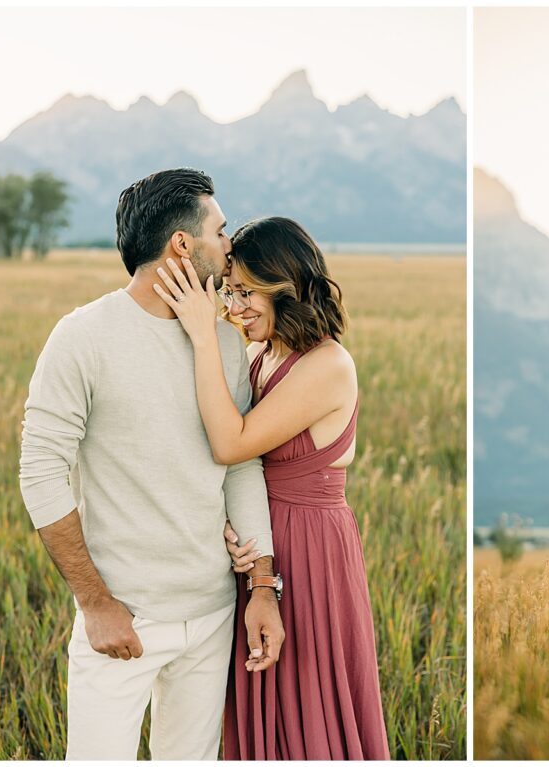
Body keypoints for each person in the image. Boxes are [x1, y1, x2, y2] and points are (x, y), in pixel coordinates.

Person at [18, 168, 284, 760]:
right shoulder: (82, 336)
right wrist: (95, 604)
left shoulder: (224, 344)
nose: (229, 245)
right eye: (219, 232)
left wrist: (260, 587)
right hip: (124, 618)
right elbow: (40, 471)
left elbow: (240, 465)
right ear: (182, 245)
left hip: (214, 613)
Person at [153, 216, 390, 759]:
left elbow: (231, 445)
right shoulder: (260, 354)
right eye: (228, 292)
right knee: (261, 704)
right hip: (257, 548)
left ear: (286, 284)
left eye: (246, 292)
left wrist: (201, 334)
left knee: (308, 702)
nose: (233, 309)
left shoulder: (328, 364)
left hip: (308, 549)